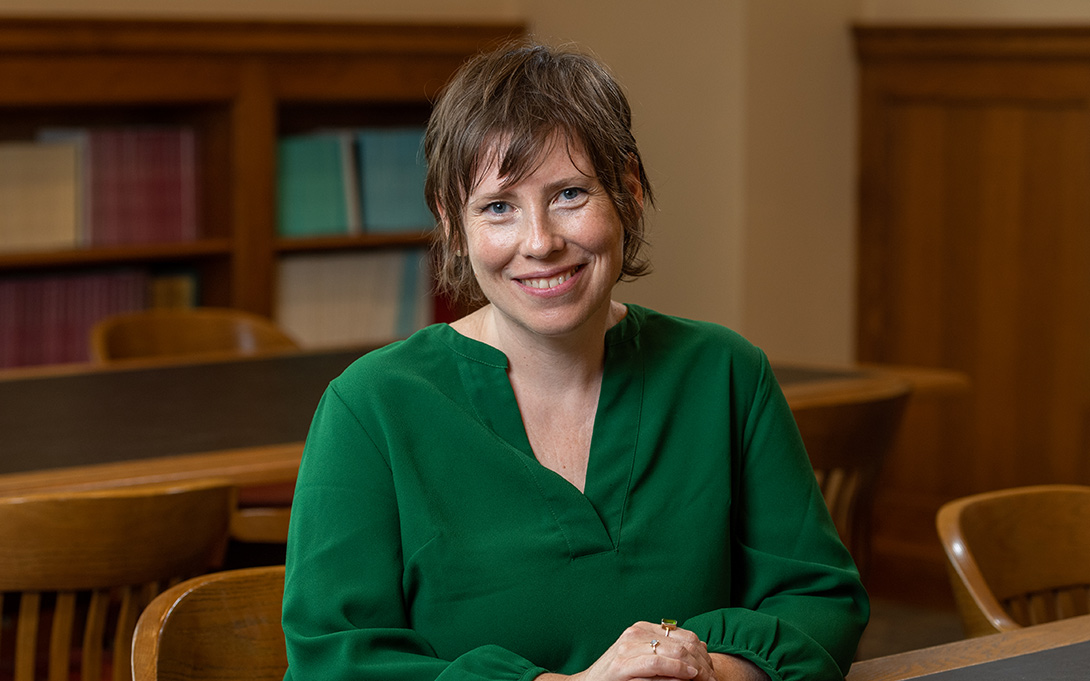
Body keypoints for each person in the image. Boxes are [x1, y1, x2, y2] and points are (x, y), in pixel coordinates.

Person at [281, 40, 868, 681]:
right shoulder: (370, 407)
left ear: (629, 193)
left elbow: (820, 599)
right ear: (453, 226)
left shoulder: (727, 374)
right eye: (498, 207)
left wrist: (710, 670)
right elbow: (333, 664)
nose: (540, 242)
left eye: (569, 194)